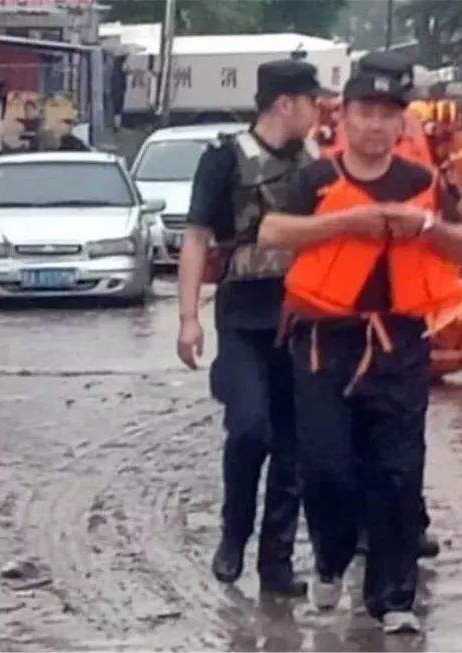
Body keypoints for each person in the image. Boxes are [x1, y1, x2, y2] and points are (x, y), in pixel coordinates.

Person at [258, 52, 462, 634]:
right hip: (323, 340)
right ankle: (331, 561)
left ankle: (395, 598)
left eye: (388, 113)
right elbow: (272, 232)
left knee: (399, 471)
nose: (376, 124)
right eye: (366, 111)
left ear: (401, 122)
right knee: (327, 468)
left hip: (400, 342)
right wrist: (344, 225)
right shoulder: (315, 177)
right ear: (345, 115)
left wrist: (429, 228)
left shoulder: (424, 183)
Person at [175, 59, 321, 598]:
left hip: (302, 318)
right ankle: (234, 532)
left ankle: (277, 563)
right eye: (311, 101)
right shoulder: (224, 159)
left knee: (294, 445)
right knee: (250, 429)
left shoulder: (318, 162)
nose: (318, 111)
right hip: (242, 318)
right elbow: (195, 237)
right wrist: (189, 319)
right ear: (286, 103)